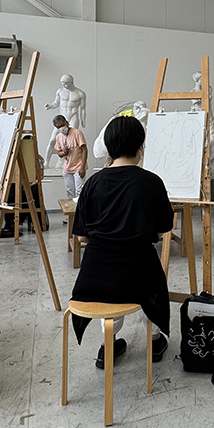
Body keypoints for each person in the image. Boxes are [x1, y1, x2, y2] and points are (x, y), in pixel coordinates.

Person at [70, 116, 173, 368]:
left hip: (95, 280)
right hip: (139, 274)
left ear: (109, 147)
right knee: (152, 285)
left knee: (109, 287)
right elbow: (163, 230)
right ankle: (155, 341)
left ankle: (107, 346)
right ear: (140, 147)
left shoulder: (92, 183)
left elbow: (82, 236)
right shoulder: (151, 182)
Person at [44, 74, 87, 166]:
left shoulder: (80, 93)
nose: (64, 85)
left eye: (66, 83)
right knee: (52, 141)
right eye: (62, 83)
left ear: (71, 82)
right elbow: (56, 103)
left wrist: (83, 120)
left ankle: (63, 162)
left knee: (70, 142)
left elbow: (83, 109)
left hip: (73, 118)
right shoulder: (60, 91)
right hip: (61, 119)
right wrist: (50, 106)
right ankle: (46, 162)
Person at [54, 114, 88, 200]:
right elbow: (59, 153)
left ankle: (80, 208)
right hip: (67, 168)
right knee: (69, 191)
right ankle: (71, 208)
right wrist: (64, 152)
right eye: (58, 127)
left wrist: (82, 167)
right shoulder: (58, 137)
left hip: (78, 167)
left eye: (62, 125)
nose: (61, 128)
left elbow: (84, 150)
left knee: (79, 191)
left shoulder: (77, 133)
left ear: (67, 123)